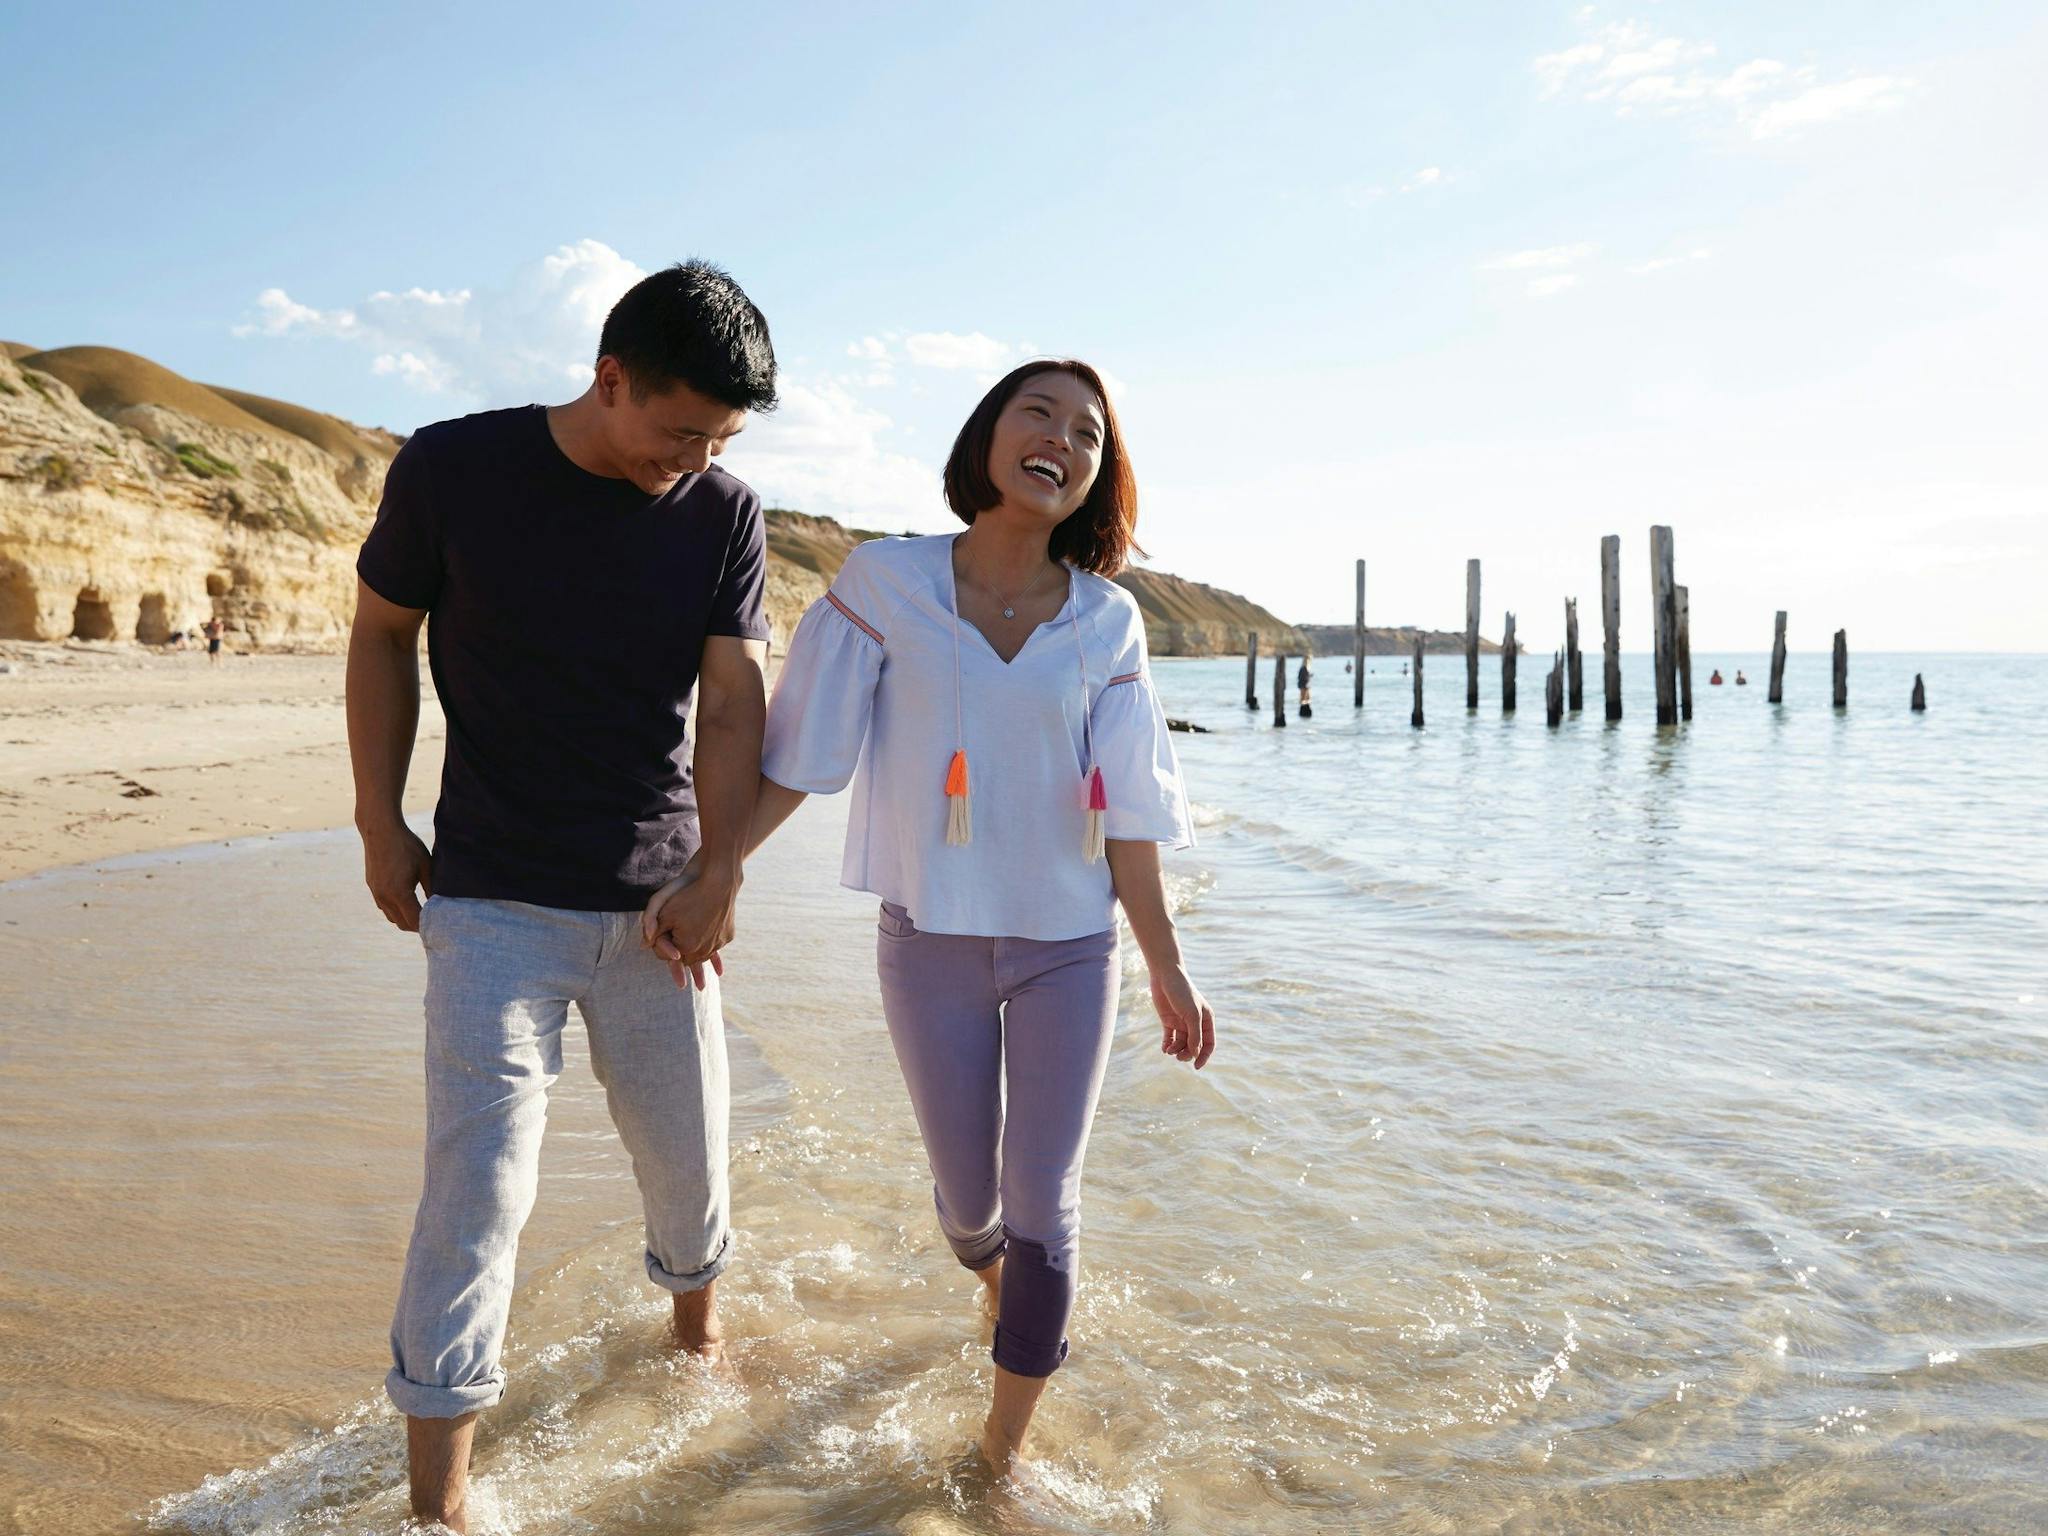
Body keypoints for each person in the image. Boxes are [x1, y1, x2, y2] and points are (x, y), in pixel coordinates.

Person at [648, 359, 1214, 1479]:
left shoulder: (1108, 622)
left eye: (1088, 433)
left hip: (1068, 950)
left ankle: (999, 1457)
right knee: (969, 1211)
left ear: (1099, 475)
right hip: (930, 945)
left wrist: (1167, 964)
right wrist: (719, 872)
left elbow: (1134, 814)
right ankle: (992, 1281)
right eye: (1038, 414)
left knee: (1044, 1203)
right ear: (988, 437)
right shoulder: (885, 581)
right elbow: (803, 754)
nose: (1061, 440)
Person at [346, 261, 776, 1533]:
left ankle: (696, 1343)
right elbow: (380, 633)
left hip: (659, 909)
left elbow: (731, 701)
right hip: (491, 901)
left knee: (688, 1169)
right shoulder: (452, 468)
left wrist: (720, 870)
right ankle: (440, 1505)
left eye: (719, 440)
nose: (693, 460)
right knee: (475, 1191)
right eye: (679, 431)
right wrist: (379, 820)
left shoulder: (723, 512)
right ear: (608, 378)